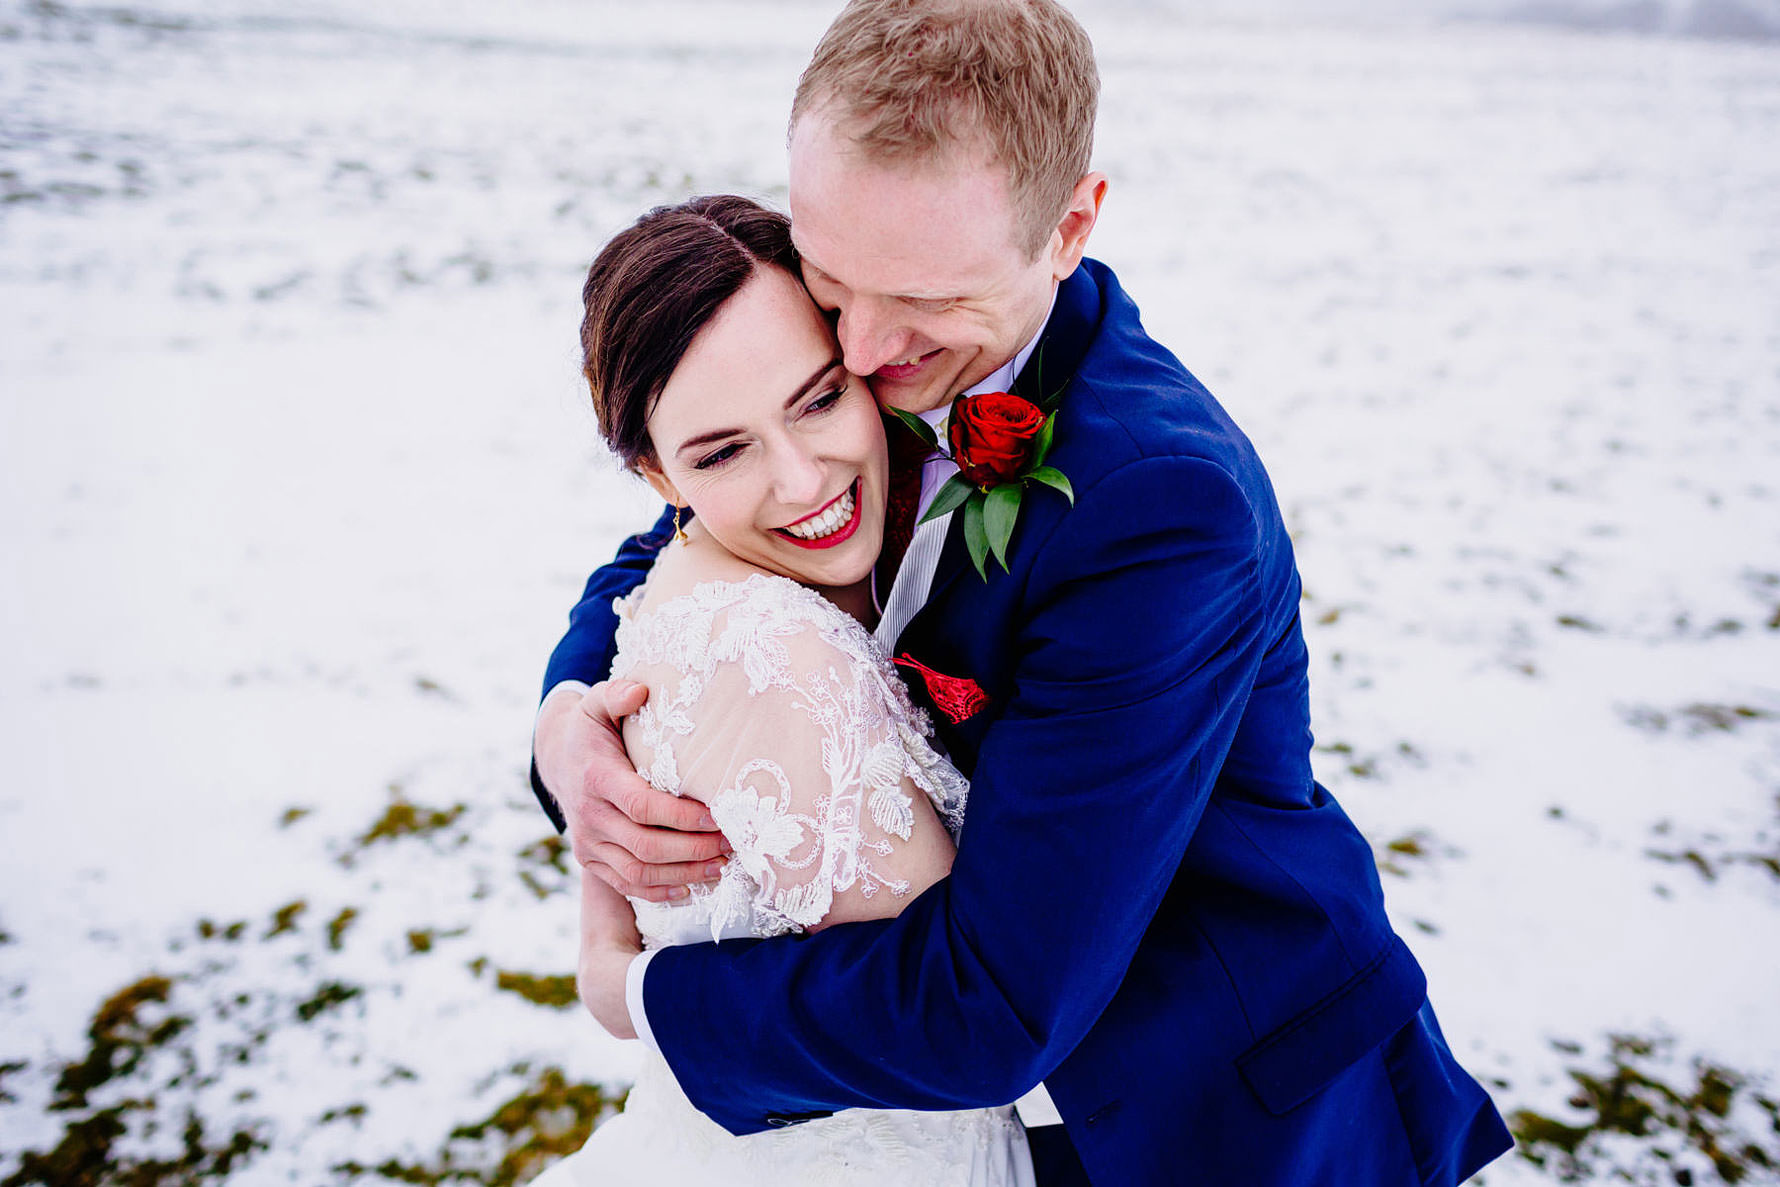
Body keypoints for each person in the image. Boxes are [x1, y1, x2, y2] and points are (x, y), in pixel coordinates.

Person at [533, 2, 1514, 1184]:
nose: (858, 350)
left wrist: (636, 988)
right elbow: (681, 529)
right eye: (831, 277)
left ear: (1070, 227)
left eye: (926, 299)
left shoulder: (1159, 505)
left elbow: (991, 1008)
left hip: (1210, 1102)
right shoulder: (862, 320)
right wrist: (567, 718)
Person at [531, 194, 1034, 1186]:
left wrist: (615, 975)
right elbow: (951, 1012)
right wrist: (623, 986)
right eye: (723, 451)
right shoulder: (773, 652)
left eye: (817, 398)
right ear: (656, 475)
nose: (802, 481)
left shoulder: (698, 582)